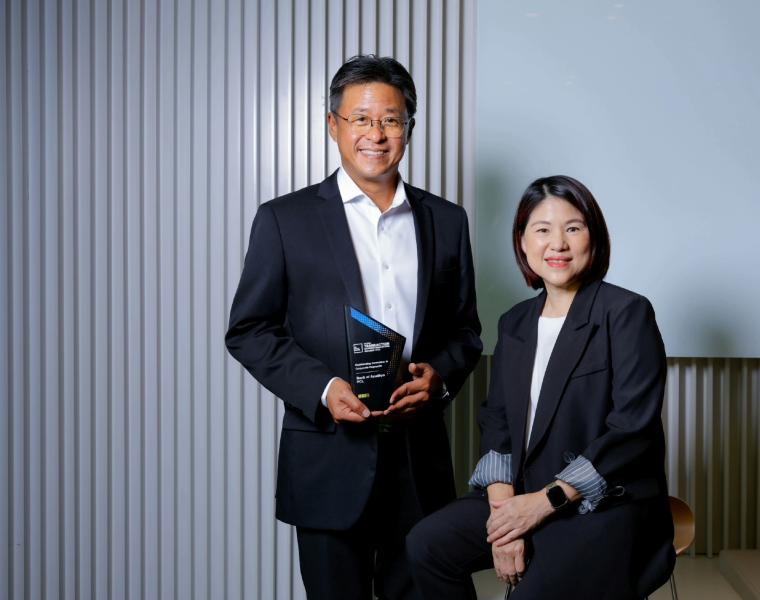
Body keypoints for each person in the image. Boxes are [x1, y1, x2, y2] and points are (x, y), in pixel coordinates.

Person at [225, 55, 482, 600]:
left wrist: (438, 377)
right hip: (327, 459)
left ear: (409, 126)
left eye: (391, 120)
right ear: (332, 125)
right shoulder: (284, 219)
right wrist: (322, 388)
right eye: (361, 119)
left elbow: (465, 332)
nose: (376, 134)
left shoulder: (447, 220)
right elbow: (249, 329)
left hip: (419, 463)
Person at [407, 175, 675, 599]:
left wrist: (540, 504)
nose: (558, 244)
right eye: (543, 230)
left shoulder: (626, 313)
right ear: (523, 241)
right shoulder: (515, 322)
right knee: (426, 545)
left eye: (573, 228)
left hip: (602, 506)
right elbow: (497, 421)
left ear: (593, 237)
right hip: (523, 493)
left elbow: (631, 431)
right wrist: (505, 519)